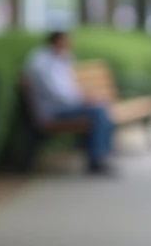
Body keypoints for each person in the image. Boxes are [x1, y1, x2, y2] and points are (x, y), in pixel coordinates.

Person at [24, 30, 116, 175]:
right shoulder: (41, 63)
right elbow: (56, 95)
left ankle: (100, 156)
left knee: (100, 107)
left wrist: (85, 98)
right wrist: (83, 100)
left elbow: (68, 88)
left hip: (66, 106)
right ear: (56, 42)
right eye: (66, 42)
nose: (69, 45)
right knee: (98, 111)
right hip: (53, 111)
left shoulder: (60, 58)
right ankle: (96, 160)